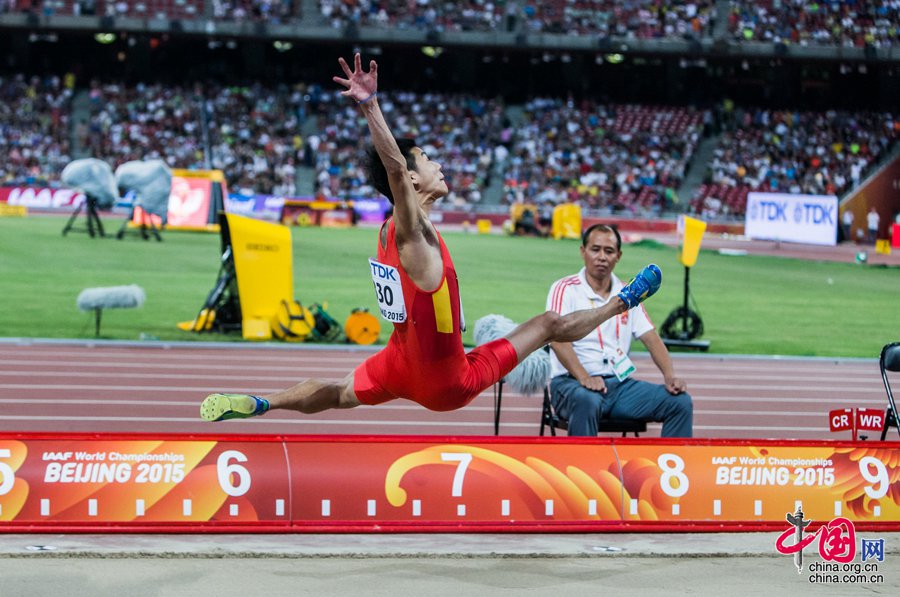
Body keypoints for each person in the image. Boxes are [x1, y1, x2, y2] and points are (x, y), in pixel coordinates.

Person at [199, 54, 662, 423]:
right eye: (428, 160)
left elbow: (413, 289)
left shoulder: (389, 232)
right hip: (447, 379)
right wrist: (369, 105)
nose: (437, 165)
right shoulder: (411, 226)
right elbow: (396, 169)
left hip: (399, 361)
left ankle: (264, 404)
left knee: (340, 392)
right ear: (414, 182)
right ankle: (625, 301)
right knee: (547, 324)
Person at [546, 224, 692, 437]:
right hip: (571, 384)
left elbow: (650, 337)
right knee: (587, 399)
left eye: (609, 251)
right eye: (595, 249)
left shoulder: (629, 293)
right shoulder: (565, 288)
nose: (602, 257)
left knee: (679, 402)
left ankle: (672, 467)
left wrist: (670, 376)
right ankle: (583, 469)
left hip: (619, 387)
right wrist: (584, 377)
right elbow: (557, 339)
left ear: (618, 256)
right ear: (582, 251)